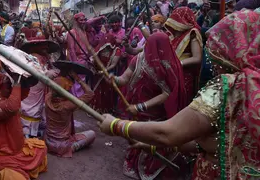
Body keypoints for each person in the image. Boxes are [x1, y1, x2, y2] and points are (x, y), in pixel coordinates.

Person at [98, 9, 260, 180]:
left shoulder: (228, 87)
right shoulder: (251, 85)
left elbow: (169, 133)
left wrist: (116, 125)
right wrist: (154, 146)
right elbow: (217, 143)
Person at [111, 33, 188, 179]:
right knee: (134, 133)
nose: (148, 49)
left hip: (155, 111)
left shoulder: (169, 64)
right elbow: (124, 78)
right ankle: (134, 161)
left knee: (149, 137)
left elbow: (167, 94)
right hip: (135, 107)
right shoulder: (138, 59)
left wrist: (141, 107)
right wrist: (114, 79)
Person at [0, 72, 48, 179]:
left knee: (42, 148)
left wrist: (24, 79)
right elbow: (11, 107)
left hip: (17, 149)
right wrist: (17, 82)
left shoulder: (6, 95)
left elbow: (23, 94)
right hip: (1, 154)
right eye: (7, 85)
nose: (11, 86)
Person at [45, 73, 95, 157]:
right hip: (63, 145)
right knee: (92, 134)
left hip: (48, 142)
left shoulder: (47, 98)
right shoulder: (68, 105)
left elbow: (53, 87)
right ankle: (72, 148)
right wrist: (78, 79)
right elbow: (90, 94)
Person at [19, 40, 59, 138]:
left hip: (37, 90)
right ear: (34, 47)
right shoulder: (31, 58)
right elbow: (37, 73)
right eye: (42, 46)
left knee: (36, 110)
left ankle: (32, 133)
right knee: (28, 110)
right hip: (31, 89)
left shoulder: (44, 58)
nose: (45, 48)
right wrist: (47, 74)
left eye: (46, 46)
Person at [165, 7, 203, 104]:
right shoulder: (172, 34)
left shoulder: (192, 33)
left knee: (181, 103)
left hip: (184, 74)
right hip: (171, 73)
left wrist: (177, 64)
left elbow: (197, 58)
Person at [92, 34, 121, 113]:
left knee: (107, 91)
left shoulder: (117, 50)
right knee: (98, 90)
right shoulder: (101, 48)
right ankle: (97, 108)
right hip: (98, 73)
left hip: (109, 73)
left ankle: (106, 109)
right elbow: (94, 57)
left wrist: (104, 71)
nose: (107, 46)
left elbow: (113, 64)